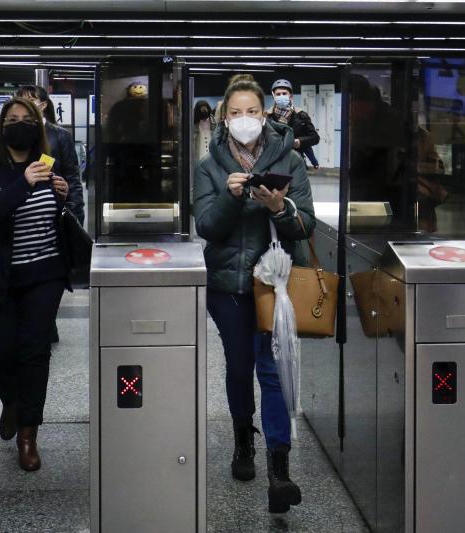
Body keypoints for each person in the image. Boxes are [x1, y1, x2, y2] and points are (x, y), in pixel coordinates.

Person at [193, 79, 315, 513]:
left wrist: (279, 208)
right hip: (229, 287)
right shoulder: (209, 166)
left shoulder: (291, 160)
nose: (245, 119)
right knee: (240, 366)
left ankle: (279, 467)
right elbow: (206, 226)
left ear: (265, 114)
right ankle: (244, 435)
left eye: (252, 111)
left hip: (276, 285)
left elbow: (306, 226)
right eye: (236, 112)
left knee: (272, 369)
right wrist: (231, 197)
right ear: (225, 118)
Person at [0, 97, 70, 472]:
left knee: (34, 353)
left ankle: (27, 435)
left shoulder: (48, 163)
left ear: (37, 127)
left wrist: (62, 199)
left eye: (26, 119)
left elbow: (61, 214)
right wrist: (23, 184)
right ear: (1, 126)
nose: (19, 124)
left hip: (44, 272)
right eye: (12, 119)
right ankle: (11, 401)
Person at [16, 85, 85, 343]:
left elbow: (72, 176)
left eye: (30, 100)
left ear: (43, 104)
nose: (24, 105)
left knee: (51, 269)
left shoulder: (59, 136)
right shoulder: (10, 135)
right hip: (21, 213)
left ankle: (45, 321)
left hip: (53, 213)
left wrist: (75, 213)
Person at [268, 79, 320, 170]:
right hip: (273, 163)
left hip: (296, 163)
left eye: (284, 93)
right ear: (274, 96)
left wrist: (300, 142)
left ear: (291, 96)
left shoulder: (301, 115)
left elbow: (315, 138)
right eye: (278, 94)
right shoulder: (267, 116)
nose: (281, 96)